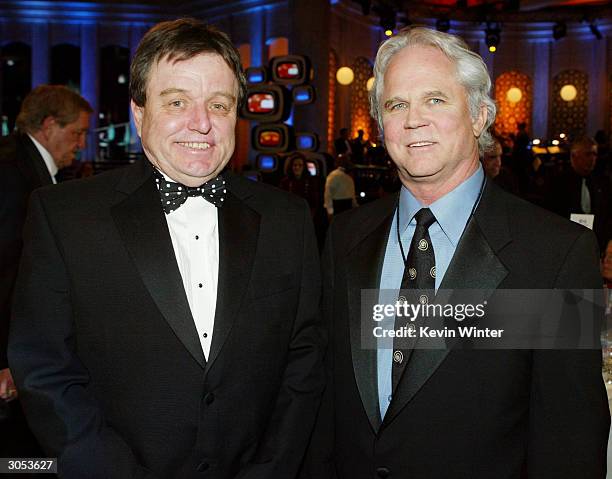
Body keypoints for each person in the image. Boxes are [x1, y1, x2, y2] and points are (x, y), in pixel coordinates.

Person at [9, 18, 324, 478]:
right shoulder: (64, 216)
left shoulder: (287, 219)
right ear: (139, 112)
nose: (201, 123)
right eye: (177, 101)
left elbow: (304, 360)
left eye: (219, 104)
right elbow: (44, 369)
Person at [304, 27, 609, 479]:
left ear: (480, 116)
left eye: (435, 99)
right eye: (396, 105)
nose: (413, 121)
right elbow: (327, 401)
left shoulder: (553, 255)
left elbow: (570, 440)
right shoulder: (346, 236)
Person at [0, 84, 92, 458]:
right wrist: (6, 360)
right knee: (19, 460)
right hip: (12, 359)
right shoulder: (11, 173)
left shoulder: (21, 163)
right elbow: (7, 270)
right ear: (49, 125)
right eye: (77, 133)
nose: (82, 144)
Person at [549, 136, 611, 251]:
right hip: (567, 243)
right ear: (574, 156)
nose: (593, 158)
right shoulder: (559, 182)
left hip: (596, 243)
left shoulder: (602, 182)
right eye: (588, 154)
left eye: (595, 154)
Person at [323, 153, 358, 218]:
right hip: (338, 206)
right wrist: (330, 211)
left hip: (348, 207)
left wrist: (355, 206)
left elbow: (352, 194)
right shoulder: (334, 175)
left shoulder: (349, 176)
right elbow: (328, 194)